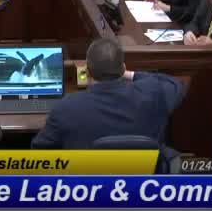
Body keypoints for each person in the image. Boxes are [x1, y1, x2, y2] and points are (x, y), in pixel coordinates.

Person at [31, 38, 185, 149]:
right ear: (123, 68)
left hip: (87, 182)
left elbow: (40, 150)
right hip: (143, 180)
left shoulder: (66, 107)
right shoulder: (152, 92)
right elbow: (175, 84)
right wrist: (130, 74)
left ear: (88, 72)